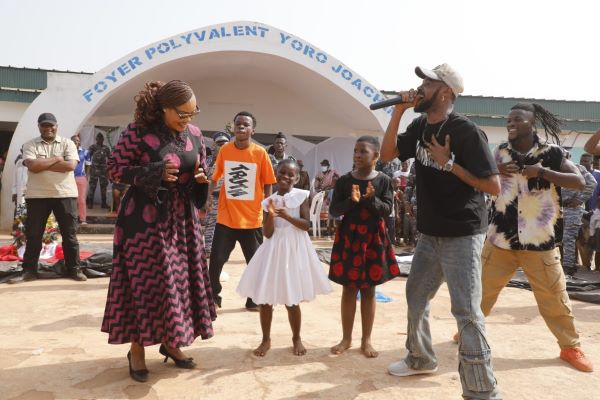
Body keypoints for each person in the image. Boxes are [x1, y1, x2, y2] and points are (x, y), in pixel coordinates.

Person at [380, 64, 502, 399]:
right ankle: (420, 358)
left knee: (466, 312)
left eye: (427, 83)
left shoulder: (466, 132)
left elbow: (493, 186)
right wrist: (398, 112)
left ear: (445, 92)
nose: (419, 88)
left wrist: (449, 164)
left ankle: (482, 390)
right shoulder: (420, 125)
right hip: (430, 233)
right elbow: (387, 154)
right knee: (416, 295)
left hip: (462, 234)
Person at [101, 80, 216, 382]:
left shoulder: (195, 134)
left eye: (193, 112)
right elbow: (114, 169)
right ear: (164, 108)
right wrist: (154, 172)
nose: (187, 119)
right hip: (143, 225)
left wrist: (201, 180)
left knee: (178, 284)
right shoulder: (137, 132)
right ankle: (137, 350)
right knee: (146, 286)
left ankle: (171, 342)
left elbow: (199, 170)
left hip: (182, 224)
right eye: (182, 113)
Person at [480, 102, 593, 373]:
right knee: (481, 293)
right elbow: (482, 179)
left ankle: (570, 347)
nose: (510, 123)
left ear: (531, 124)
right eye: (508, 119)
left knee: (555, 297)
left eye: (517, 119)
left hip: (539, 241)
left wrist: (541, 172)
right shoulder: (499, 152)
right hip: (500, 239)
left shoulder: (551, 153)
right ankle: (469, 332)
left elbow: (579, 182)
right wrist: (495, 170)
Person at [236, 159, 332, 357]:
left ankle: (296, 338)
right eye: (282, 173)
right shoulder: (268, 201)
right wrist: (272, 215)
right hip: (273, 249)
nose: (285, 177)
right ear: (275, 174)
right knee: (265, 299)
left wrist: (287, 216)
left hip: (294, 249)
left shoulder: (301, 196)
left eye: (290, 175)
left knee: (292, 298)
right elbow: (267, 233)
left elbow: (305, 225)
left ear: (296, 178)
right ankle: (266, 339)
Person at [328, 136, 400, 358]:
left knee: (369, 290)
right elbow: (334, 210)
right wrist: (352, 200)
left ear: (376, 156)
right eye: (355, 151)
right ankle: (346, 338)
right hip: (349, 239)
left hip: (372, 239)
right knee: (349, 289)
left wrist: (371, 199)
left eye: (363, 152)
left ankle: (366, 339)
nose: (357, 155)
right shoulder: (344, 181)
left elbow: (387, 210)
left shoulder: (384, 181)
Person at [205, 111, 277, 310]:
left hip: (251, 220)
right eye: (238, 124)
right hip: (226, 219)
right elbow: (215, 177)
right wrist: (208, 198)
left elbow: (268, 183)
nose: (241, 127)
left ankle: (254, 300)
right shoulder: (225, 150)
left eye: (246, 124)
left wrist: (268, 210)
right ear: (233, 127)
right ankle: (213, 298)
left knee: (255, 264)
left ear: (253, 130)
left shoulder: (260, 153)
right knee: (216, 260)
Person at [9, 113, 87, 284]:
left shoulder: (67, 143)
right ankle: (29, 271)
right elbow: (33, 166)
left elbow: (70, 165)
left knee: (70, 235)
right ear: (39, 127)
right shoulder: (30, 144)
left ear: (56, 126)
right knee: (34, 235)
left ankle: (74, 269)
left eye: (51, 125)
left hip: (65, 194)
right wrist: (58, 159)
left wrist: (43, 163)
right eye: (44, 125)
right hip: (37, 195)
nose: (48, 128)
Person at [560, 155, 596, 276]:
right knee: (558, 240)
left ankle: (568, 266)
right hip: (556, 209)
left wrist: (579, 200)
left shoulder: (577, 168)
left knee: (568, 238)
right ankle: (562, 265)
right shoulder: (552, 169)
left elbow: (592, 183)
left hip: (572, 209)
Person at [202, 130, 231, 258]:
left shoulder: (233, 159)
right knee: (210, 225)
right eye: (219, 144)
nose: (222, 146)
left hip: (228, 199)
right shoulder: (208, 161)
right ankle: (209, 250)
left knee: (223, 227)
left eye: (225, 143)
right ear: (214, 145)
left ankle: (218, 251)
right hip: (212, 198)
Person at [314, 159, 339, 238]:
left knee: (332, 194)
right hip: (322, 195)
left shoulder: (333, 173)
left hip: (332, 195)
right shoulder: (319, 175)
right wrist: (321, 191)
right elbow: (316, 187)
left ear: (328, 166)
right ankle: (328, 229)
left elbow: (336, 183)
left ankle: (332, 229)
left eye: (324, 165)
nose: (323, 167)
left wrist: (328, 189)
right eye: (322, 165)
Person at [87, 132, 111, 209]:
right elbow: (87, 157)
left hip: (103, 171)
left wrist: (109, 169)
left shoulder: (106, 148)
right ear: (96, 139)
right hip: (94, 170)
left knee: (103, 187)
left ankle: (103, 203)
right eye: (98, 139)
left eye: (101, 139)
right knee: (92, 187)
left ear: (103, 139)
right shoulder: (92, 147)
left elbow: (110, 158)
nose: (100, 140)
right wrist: (88, 168)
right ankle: (90, 203)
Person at [71, 134, 90, 224]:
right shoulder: (67, 151)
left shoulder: (85, 152)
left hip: (80, 178)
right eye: (74, 140)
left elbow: (88, 165)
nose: (76, 142)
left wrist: (86, 176)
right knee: (70, 200)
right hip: (69, 178)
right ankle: (72, 219)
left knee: (81, 200)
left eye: (78, 140)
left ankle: (83, 219)